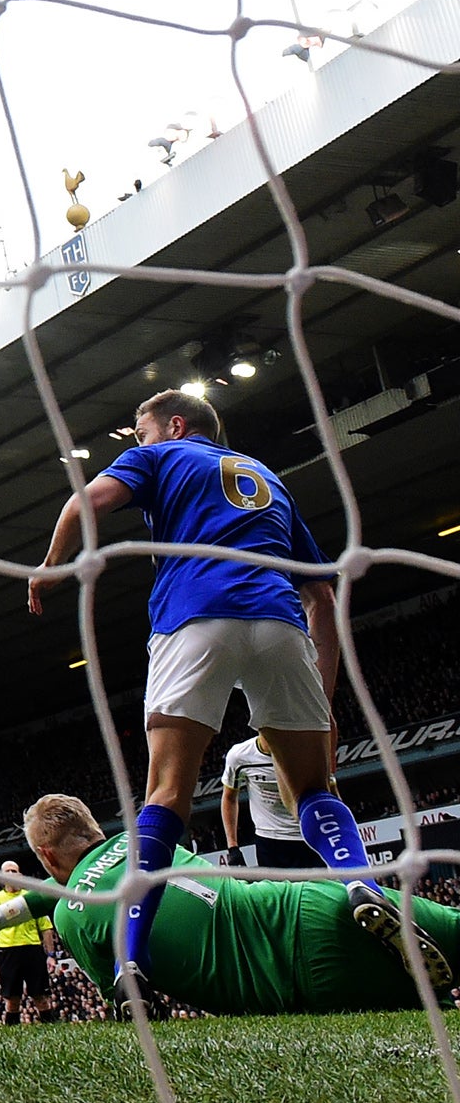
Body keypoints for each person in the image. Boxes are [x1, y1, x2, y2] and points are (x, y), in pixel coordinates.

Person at [26, 389, 441, 986]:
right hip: (278, 620)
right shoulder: (266, 477)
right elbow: (321, 594)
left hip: (194, 615)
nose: (137, 444)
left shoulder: (162, 457)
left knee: (166, 795)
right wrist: (321, 701)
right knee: (313, 790)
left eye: (140, 432)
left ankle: (129, 962)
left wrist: (50, 564)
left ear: (173, 425)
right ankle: (361, 885)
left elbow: (85, 503)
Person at [0, 793, 460, 1015]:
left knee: (428, 1013)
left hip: (298, 978)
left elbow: (129, 998)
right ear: (96, 830)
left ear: (44, 855)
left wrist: (8, 912)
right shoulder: (145, 842)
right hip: (308, 897)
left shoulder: (69, 916)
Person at [219, 733, 316, 870]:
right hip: (269, 842)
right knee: (277, 892)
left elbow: (327, 791)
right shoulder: (239, 756)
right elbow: (229, 798)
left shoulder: (306, 749)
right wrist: (233, 847)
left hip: (309, 837)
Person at [0, 859, 58, 1024]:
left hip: (32, 949)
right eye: (7, 871)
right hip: (7, 951)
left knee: (41, 996)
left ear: (20, 875)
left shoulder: (31, 897)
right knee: (12, 999)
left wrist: (51, 954)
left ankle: (51, 1029)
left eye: (14, 871)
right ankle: (12, 1034)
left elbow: (45, 928)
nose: (11, 874)